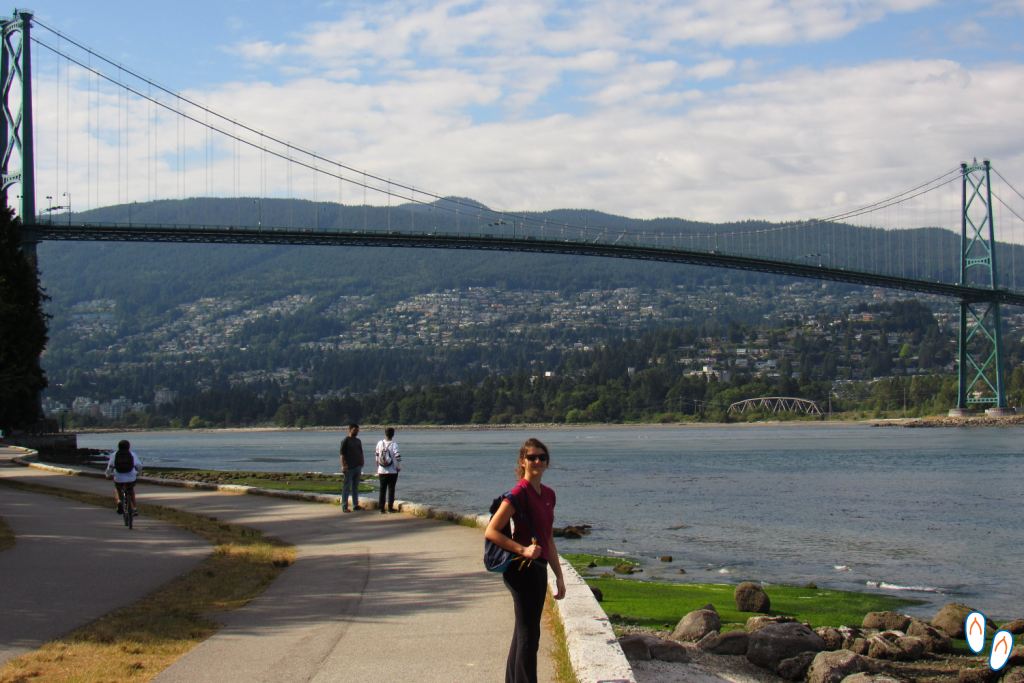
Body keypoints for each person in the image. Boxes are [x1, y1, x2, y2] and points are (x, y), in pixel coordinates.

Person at [484, 438, 566, 683]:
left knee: (524, 634)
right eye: (532, 457)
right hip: (522, 570)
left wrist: (559, 576)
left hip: (539, 569)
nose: (538, 461)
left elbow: (548, 538)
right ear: (523, 461)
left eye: (542, 457)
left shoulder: (549, 494)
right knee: (529, 635)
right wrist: (522, 549)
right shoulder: (518, 494)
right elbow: (492, 531)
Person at [104, 439, 142, 515]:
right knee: (131, 490)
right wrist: (139, 474)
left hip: (118, 478)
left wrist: (107, 475)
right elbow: (139, 466)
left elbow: (109, 467)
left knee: (117, 487)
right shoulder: (132, 454)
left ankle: (119, 501)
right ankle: (134, 508)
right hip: (131, 477)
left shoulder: (114, 454)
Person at [375, 427, 402, 514]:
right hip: (392, 470)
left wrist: (378, 467)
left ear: (385, 434)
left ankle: (381, 508)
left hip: (382, 470)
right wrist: (399, 467)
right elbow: (398, 457)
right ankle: (390, 507)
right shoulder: (394, 445)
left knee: (382, 489)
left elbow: (377, 456)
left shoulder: (380, 443)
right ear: (393, 435)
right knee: (391, 489)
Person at [339, 423, 364, 513]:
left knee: (355, 487)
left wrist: (362, 460)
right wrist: (343, 466)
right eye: (354, 430)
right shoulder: (346, 441)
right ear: (350, 430)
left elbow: (361, 452)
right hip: (349, 467)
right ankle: (344, 505)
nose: (356, 432)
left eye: (357, 430)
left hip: (358, 466)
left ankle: (355, 505)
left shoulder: (358, 441)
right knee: (346, 486)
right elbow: (342, 454)